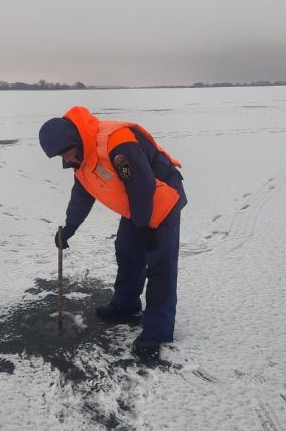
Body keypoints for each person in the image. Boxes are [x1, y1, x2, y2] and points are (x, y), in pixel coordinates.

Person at [38, 106, 187, 357]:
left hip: (162, 200)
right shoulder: (82, 157)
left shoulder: (118, 144)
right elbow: (83, 194)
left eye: (65, 153)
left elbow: (141, 185)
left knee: (160, 266)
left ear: (74, 141)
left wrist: (146, 229)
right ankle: (126, 305)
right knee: (128, 251)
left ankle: (157, 331)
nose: (65, 160)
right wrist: (70, 228)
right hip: (137, 205)